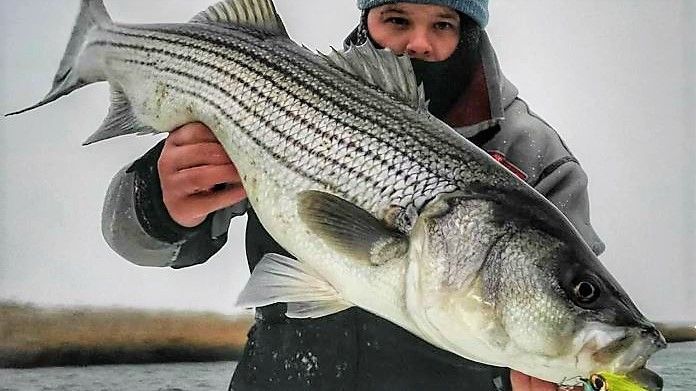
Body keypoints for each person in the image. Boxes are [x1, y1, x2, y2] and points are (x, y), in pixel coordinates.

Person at [101, 0, 603, 390]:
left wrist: (557, 378)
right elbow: (133, 242)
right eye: (397, 19)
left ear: (470, 31)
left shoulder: (532, 151)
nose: (419, 43)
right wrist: (157, 202)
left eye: (443, 24)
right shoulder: (285, 101)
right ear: (367, 21)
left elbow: (575, 301)